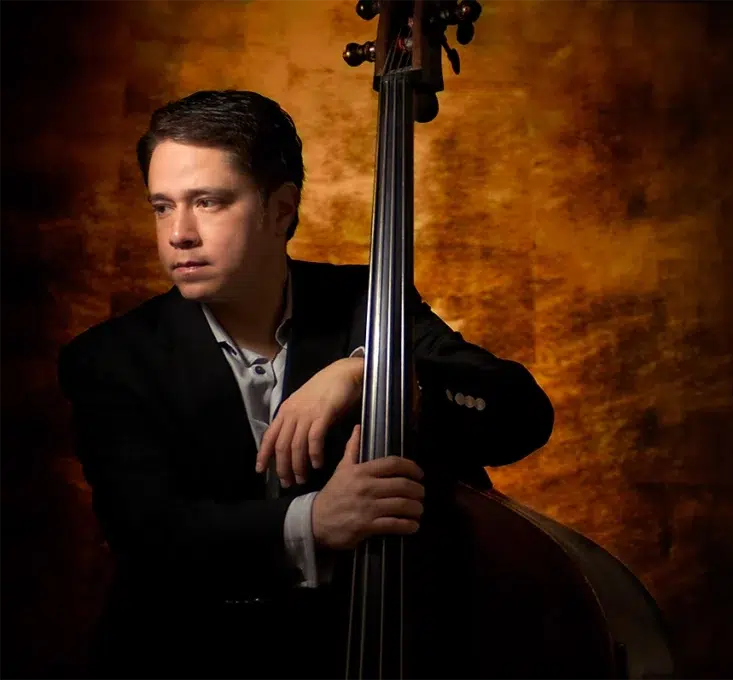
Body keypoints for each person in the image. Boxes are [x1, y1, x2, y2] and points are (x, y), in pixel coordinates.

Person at [55, 89, 555, 676]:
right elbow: (148, 533)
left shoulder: (368, 304)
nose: (178, 233)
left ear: (281, 209)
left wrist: (373, 370)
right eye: (162, 207)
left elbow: (521, 414)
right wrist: (315, 523)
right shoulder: (110, 358)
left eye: (208, 202)